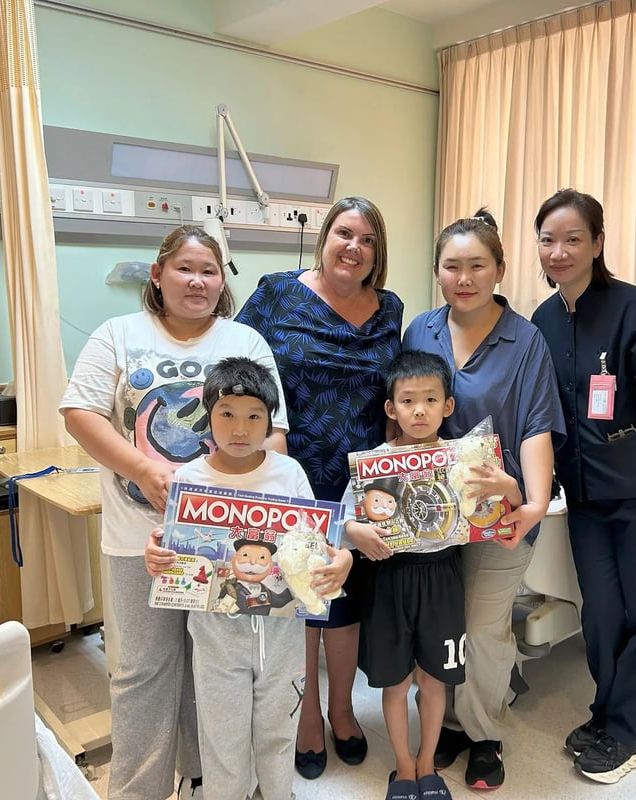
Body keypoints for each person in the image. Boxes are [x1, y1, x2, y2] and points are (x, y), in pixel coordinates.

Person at [60, 225, 289, 800]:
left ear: (222, 282)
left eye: (209, 271)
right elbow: (79, 412)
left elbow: (275, 436)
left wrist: (251, 521)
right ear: (157, 275)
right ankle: (138, 788)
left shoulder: (246, 342)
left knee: (218, 672)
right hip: (138, 537)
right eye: (184, 268)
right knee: (142, 672)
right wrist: (141, 470)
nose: (197, 280)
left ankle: (208, 777)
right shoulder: (119, 334)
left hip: (226, 544)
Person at [235, 197, 403, 779]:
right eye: (344, 233)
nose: (353, 247)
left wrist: (391, 475)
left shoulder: (389, 310)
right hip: (290, 470)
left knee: (346, 598)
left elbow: (394, 395)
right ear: (324, 237)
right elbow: (238, 366)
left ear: (377, 254)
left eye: (368, 240)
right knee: (303, 598)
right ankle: (307, 715)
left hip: (362, 478)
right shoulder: (277, 292)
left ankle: (342, 710)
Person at [530, 188, 636, 784]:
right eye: (548, 239)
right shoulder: (544, 320)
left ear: (598, 243)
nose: (559, 251)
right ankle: (606, 711)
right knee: (600, 613)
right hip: (587, 496)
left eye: (574, 238)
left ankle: (630, 733)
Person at [402, 210, 565, 790]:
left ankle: (485, 732)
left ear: (499, 270)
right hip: (429, 511)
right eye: (452, 267)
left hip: (500, 507)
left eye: (477, 266)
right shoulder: (420, 330)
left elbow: (537, 427)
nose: (464, 277)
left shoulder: (526, 340)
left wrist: (535, 504)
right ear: (437, 272)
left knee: (482, 622)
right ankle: (448, 720)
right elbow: (402, 412)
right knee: (440, 619)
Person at [145, 357, 352, 800]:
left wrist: (342, 562)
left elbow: (318, 545)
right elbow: (171, 549)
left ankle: (280, 793)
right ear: (208, 417)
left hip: (282, 639)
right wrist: (156, 556)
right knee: (222, 737)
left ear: (270, 420)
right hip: (216, 640)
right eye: (227, 415)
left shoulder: (288, 473)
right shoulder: (189, 479)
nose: (240, 429)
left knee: (279, 731)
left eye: (254, 416)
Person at [343, 350, 523, 800]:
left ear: (448, 406)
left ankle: (428, 765)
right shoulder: (375, 464)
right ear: (391, 409)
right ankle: (403, 767)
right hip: (389, 578)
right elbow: (345, 520)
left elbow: (503, 508)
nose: (418, 410)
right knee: (395, 681)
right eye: (407, 401)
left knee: (434, 678)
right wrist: (355, 531)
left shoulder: (465, 459)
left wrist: (509, 488)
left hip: (443, 576)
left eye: (429, 399)